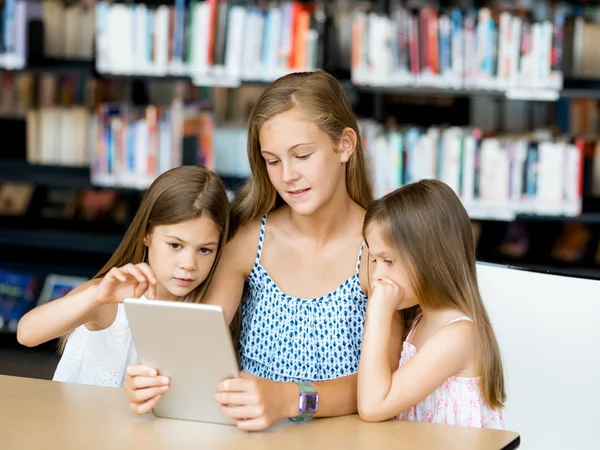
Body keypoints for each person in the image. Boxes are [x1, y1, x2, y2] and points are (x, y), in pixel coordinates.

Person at [124, 71, 403, 430]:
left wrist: (289, 398)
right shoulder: (249, 240)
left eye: (302, 155)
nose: (287, 175)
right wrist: (153, 385)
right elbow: (194, 347)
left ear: (345, 145)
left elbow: (382, 385)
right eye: (272, 161)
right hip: (253, 438)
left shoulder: (379, 251)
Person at [17, 166, 230, 388]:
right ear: (147, 235)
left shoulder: (210, 307)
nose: (188, 264)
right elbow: (27, 333)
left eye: (205, 250)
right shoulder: (107, 298)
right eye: (175, 245)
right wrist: (96, 297)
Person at [357, 179, 505, 429]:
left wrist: (378, 315)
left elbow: (373, 406)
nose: (377, 276)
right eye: (375, 260)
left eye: (389, 261)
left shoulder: (458, 335)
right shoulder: (419, 318)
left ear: (429, 258)